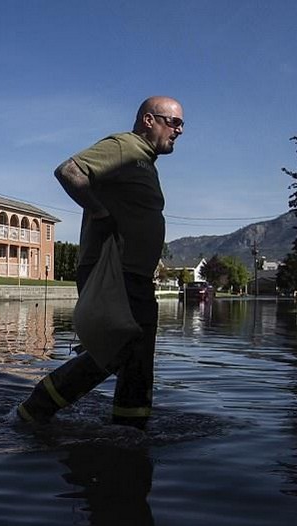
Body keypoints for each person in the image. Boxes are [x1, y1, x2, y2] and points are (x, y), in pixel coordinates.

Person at [18, 96, 184, 429]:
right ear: (149, 120)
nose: (179, 130)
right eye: (173, 122)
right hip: (114, 271)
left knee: (136, 355)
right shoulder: (126, 147)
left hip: (133, 276)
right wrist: (100, 211)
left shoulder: (143, 161)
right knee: (120, 348)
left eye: (182, 124)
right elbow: (69, 171)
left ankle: (130, 430)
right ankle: (34, 411)